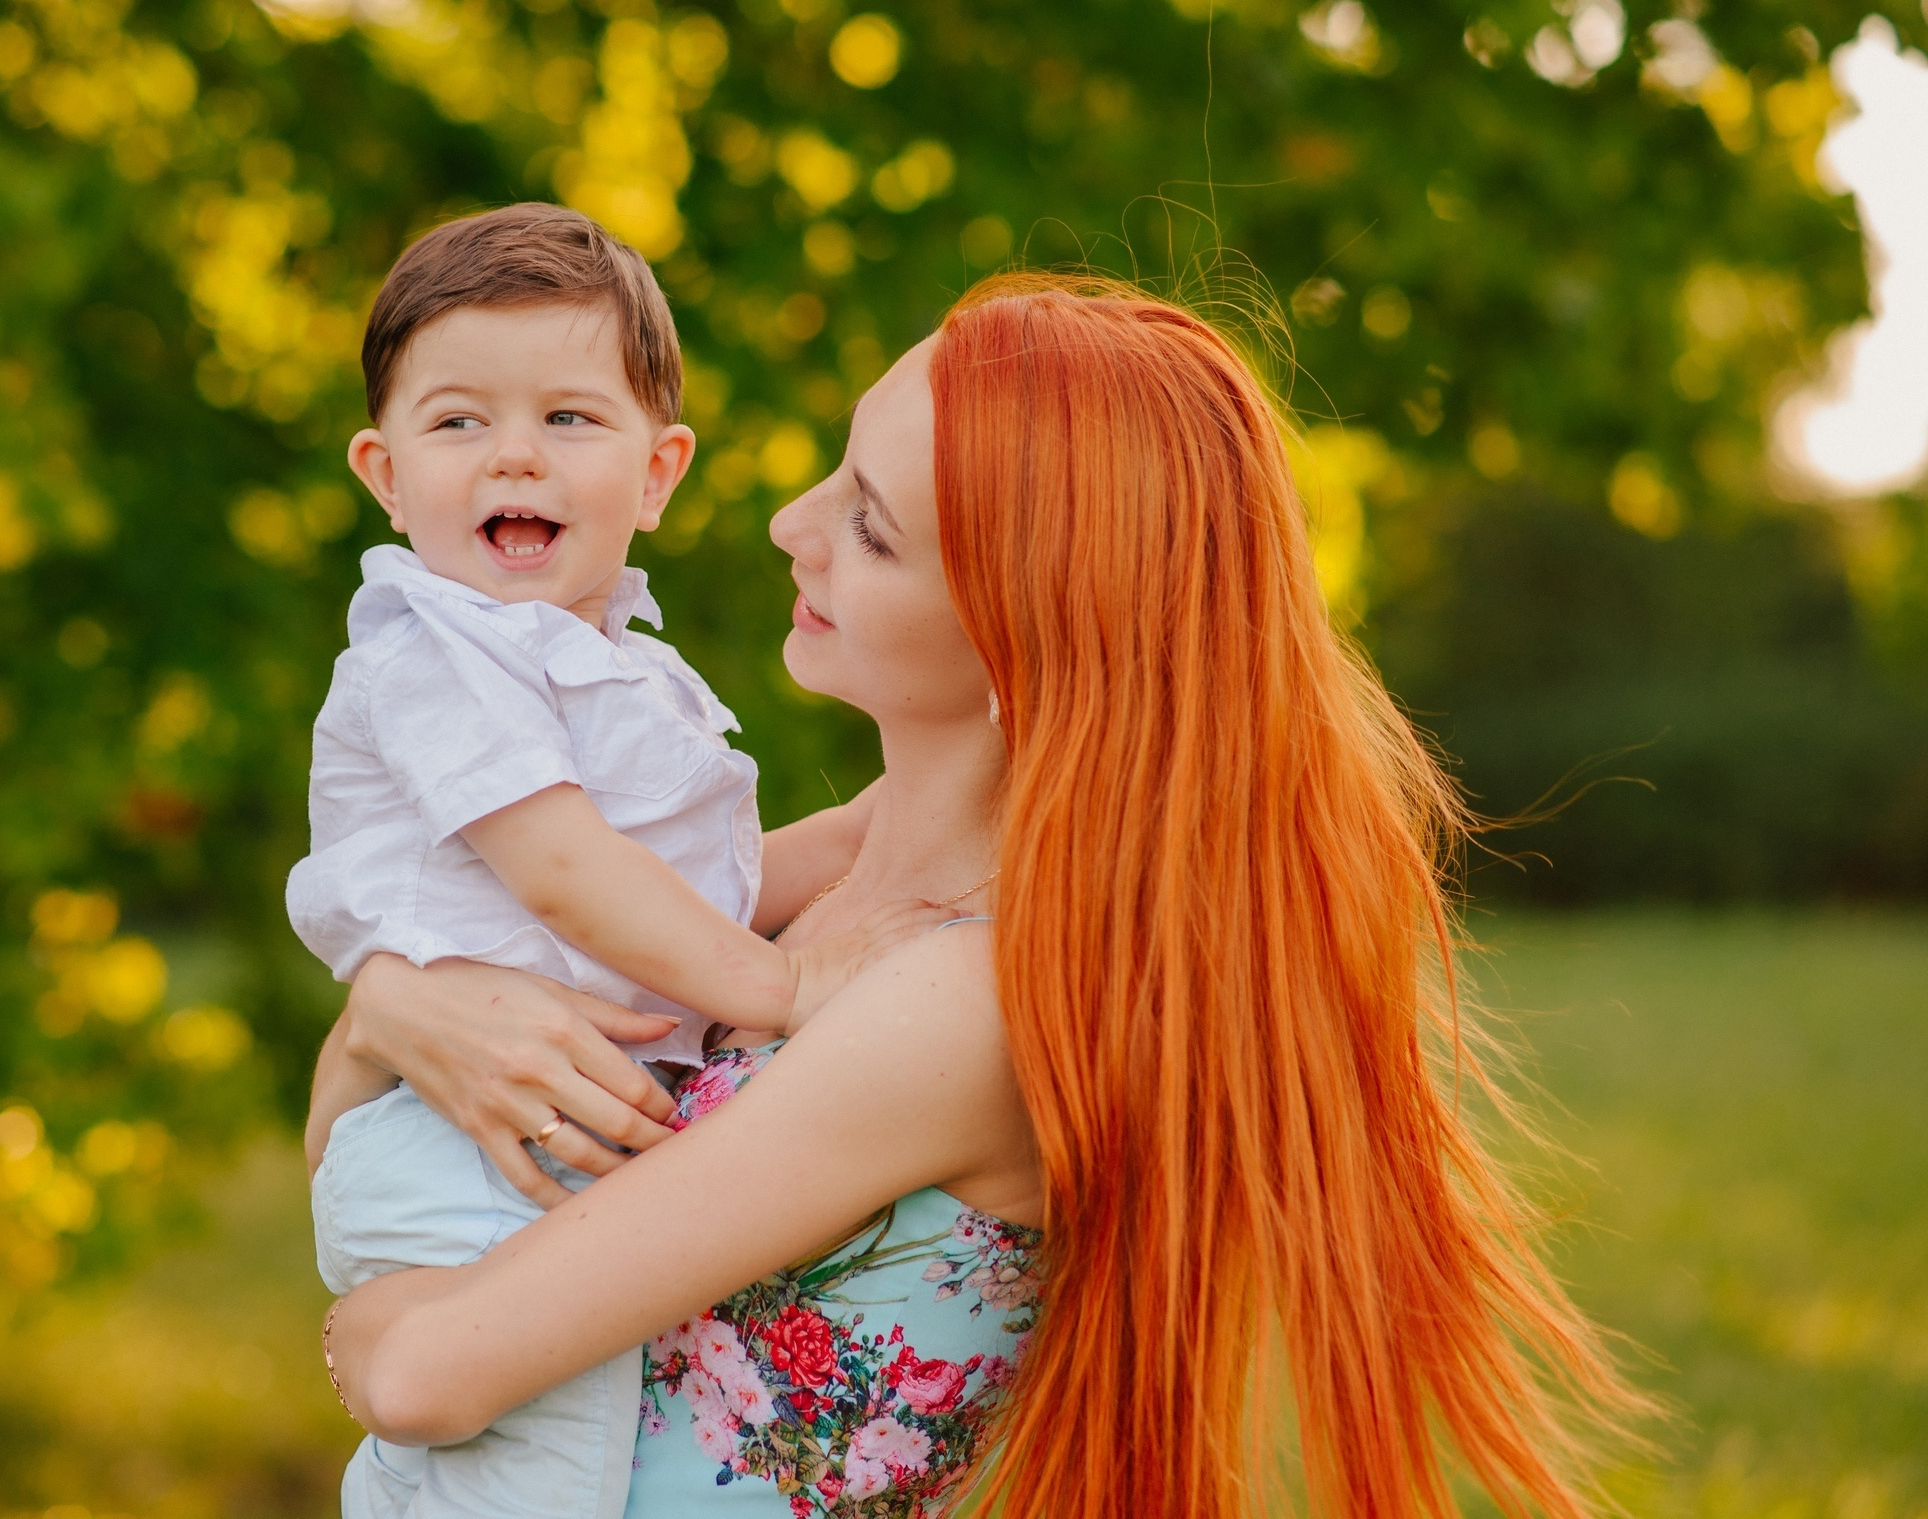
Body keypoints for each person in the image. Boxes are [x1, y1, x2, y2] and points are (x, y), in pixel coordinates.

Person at [315, 275, 1647, 1518]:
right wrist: (386, 1005)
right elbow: (371, 1137)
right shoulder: (836, 869)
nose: (794, 522)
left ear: (1027, 638)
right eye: (840, 469)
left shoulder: (961, 1001)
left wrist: (355, 1323)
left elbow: (428, 1373)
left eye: (871, 529)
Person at [293, 204, 928, 1519]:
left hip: (511, 1116)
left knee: (480, 1471)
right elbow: (568, 874)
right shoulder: (438, 652)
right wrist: (780, 991)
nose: (511, 456)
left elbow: (691, 891)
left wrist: (874, 826)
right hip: (470, 1145)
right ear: (384, 472)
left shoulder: (612, 662)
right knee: (537, 1478)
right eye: (459, 422)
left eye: (568, 421)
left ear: (657, 472)